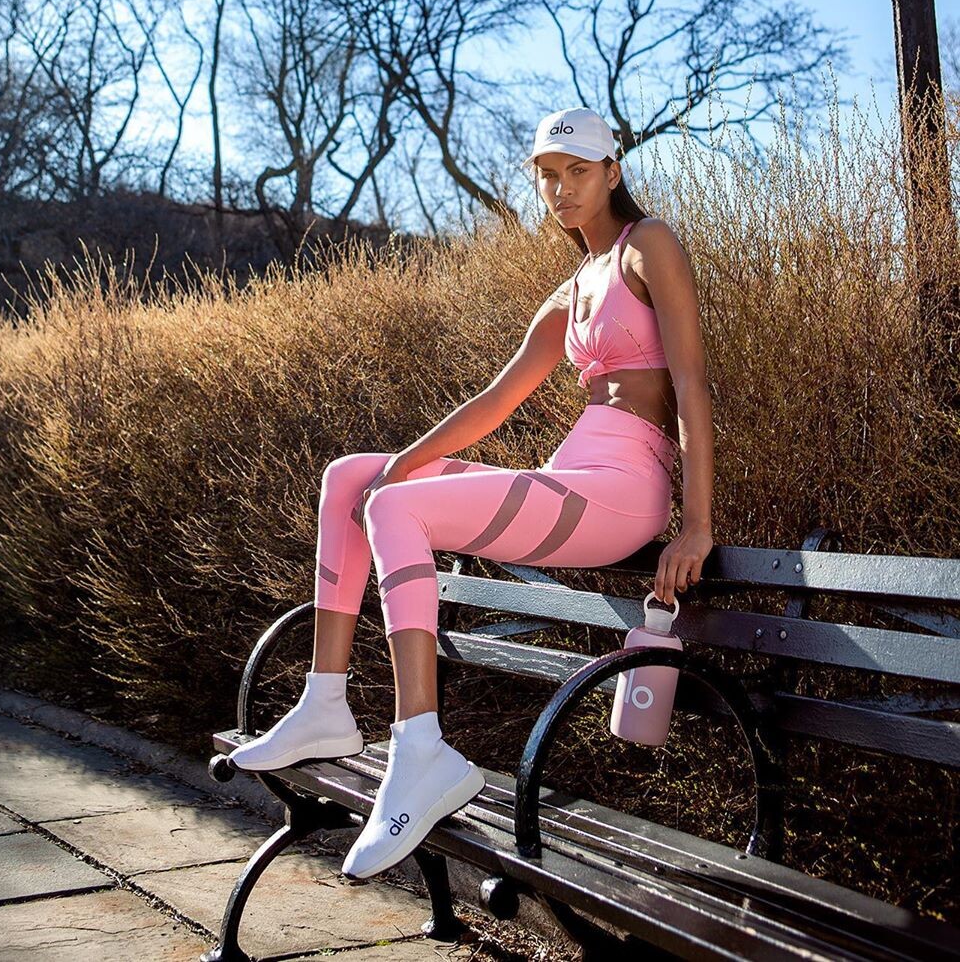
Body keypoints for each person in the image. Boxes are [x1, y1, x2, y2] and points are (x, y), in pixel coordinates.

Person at [227, 105, 715, 882]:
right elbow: (493, 403)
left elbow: (691, 384)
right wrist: (401, 462)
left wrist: (696, 524)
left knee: (393, 505)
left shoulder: (647, 244)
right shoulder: (571, 291)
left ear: (612, 172)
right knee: (352, 478)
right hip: (572, 478)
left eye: (578, 172)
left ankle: (421, 748)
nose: (561, 189)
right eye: (548, 177)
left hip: (625, 490)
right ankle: (325, 702)